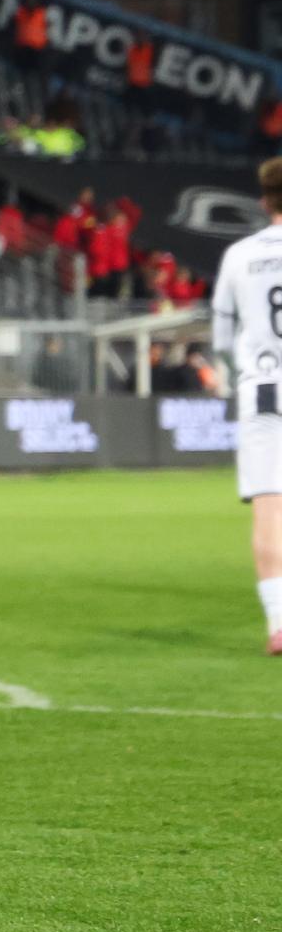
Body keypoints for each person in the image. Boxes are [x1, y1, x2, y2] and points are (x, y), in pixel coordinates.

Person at [212, 161, 282, 651]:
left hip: (263, 390)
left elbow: (220, 333)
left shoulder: (239, 255)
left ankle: (279, 622)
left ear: (264, 201)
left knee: (269, 508)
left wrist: (225, 374)